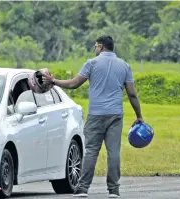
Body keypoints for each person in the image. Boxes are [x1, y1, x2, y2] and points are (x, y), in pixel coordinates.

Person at [42, 35, 143, 198]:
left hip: (96, 114)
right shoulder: (125, 66)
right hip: (116, 115)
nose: (95, 49)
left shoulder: (91, 64)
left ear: (101, 46)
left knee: (91, 152)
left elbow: (74, 84)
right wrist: (139, 116)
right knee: (114, 152)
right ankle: (114, 190)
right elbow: (132, 94)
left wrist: (54, 81)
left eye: (96, 46)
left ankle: (82, 189)